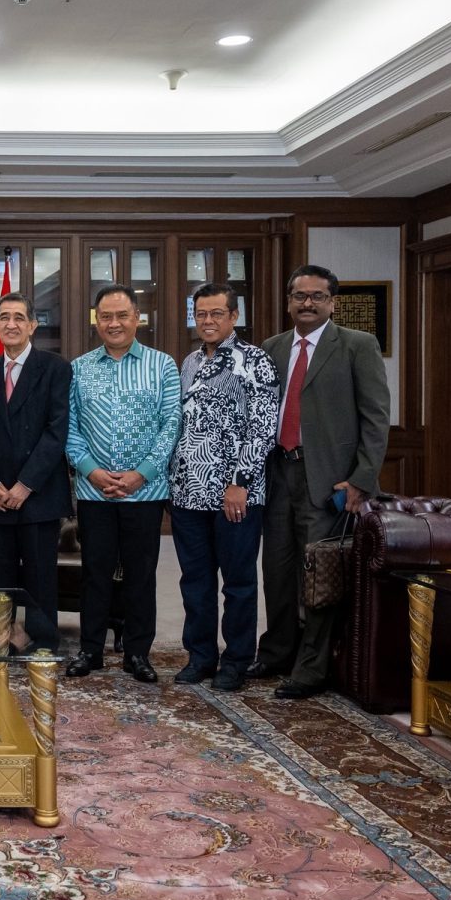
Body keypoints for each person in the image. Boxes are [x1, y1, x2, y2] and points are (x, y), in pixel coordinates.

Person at [253, 265, 390, 700]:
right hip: (277, 473)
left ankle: (311, 668)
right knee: (276, 571)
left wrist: (361, 480)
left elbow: (376, 418)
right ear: (289, 301)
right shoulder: (272, 348)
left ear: (332, 303)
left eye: (317, 296)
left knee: (318, 576)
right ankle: (277, 652)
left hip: (329, 481)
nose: (307, 303)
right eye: (300, 295)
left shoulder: (357, 345)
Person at [65, 284, 180, 680]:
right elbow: (70, 427)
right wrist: (92, 471)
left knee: (140, 575)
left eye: (121, 315)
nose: (113, 323)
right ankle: (90, 650)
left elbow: (171, 425)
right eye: (106, 317)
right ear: (96, 321)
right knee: (94, 573)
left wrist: (140, 474)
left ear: (137, 318)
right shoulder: (79, 368)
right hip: (93, 490)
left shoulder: (162, 365)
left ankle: (138, 653)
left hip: (145, 491)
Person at [168, 282, 279, 692]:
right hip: (188, 493)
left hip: (235, 495)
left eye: (217, 313)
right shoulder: (189, 362)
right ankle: (200, 657)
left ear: (234, 316)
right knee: (195, 581)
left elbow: (262, 429)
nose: (208, 320)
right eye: (201, 314)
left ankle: (235, 661)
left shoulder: (256, 361)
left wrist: (239, 482)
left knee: (238, 582)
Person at [0, 290, 72, 653]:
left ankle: (42, 642)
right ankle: (1, 637)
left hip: (39, 493)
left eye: (19, 317)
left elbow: (56, 431)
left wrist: (25, 485)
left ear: (32, 325)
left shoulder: (56, 368)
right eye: (4, 317)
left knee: (40, 574)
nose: (11, 324)